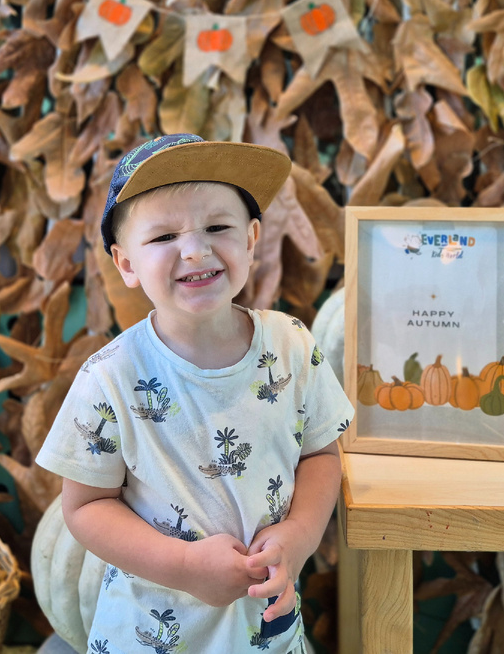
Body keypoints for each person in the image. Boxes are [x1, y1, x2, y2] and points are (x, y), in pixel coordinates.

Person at [36, 133, 354, 654]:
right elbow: (86, 508)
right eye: (163, 237)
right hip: (151, 635)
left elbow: (320, 452)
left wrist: (299, 534)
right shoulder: (110, 379)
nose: (195, 249)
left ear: (251, 238)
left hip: (266, 629)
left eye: (217, 227)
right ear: (127, 264)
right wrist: (183, 565)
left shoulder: (292, 348)